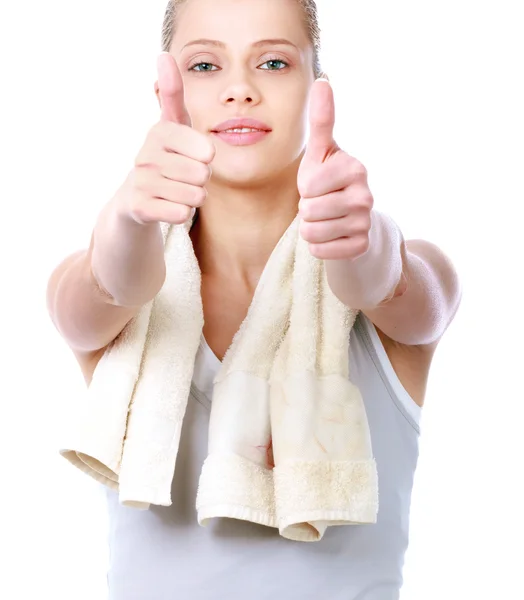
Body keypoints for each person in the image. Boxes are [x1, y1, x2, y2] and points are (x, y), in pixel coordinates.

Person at [46, 0, 461, 598]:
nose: (239, 89)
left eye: (271, 61)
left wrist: (362, 247)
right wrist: (127, 221)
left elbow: (395, 286)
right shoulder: (108, 286)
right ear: (170, 86)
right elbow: (99, 293)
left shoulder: (413, 276)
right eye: (206, 66)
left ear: (317, 84)